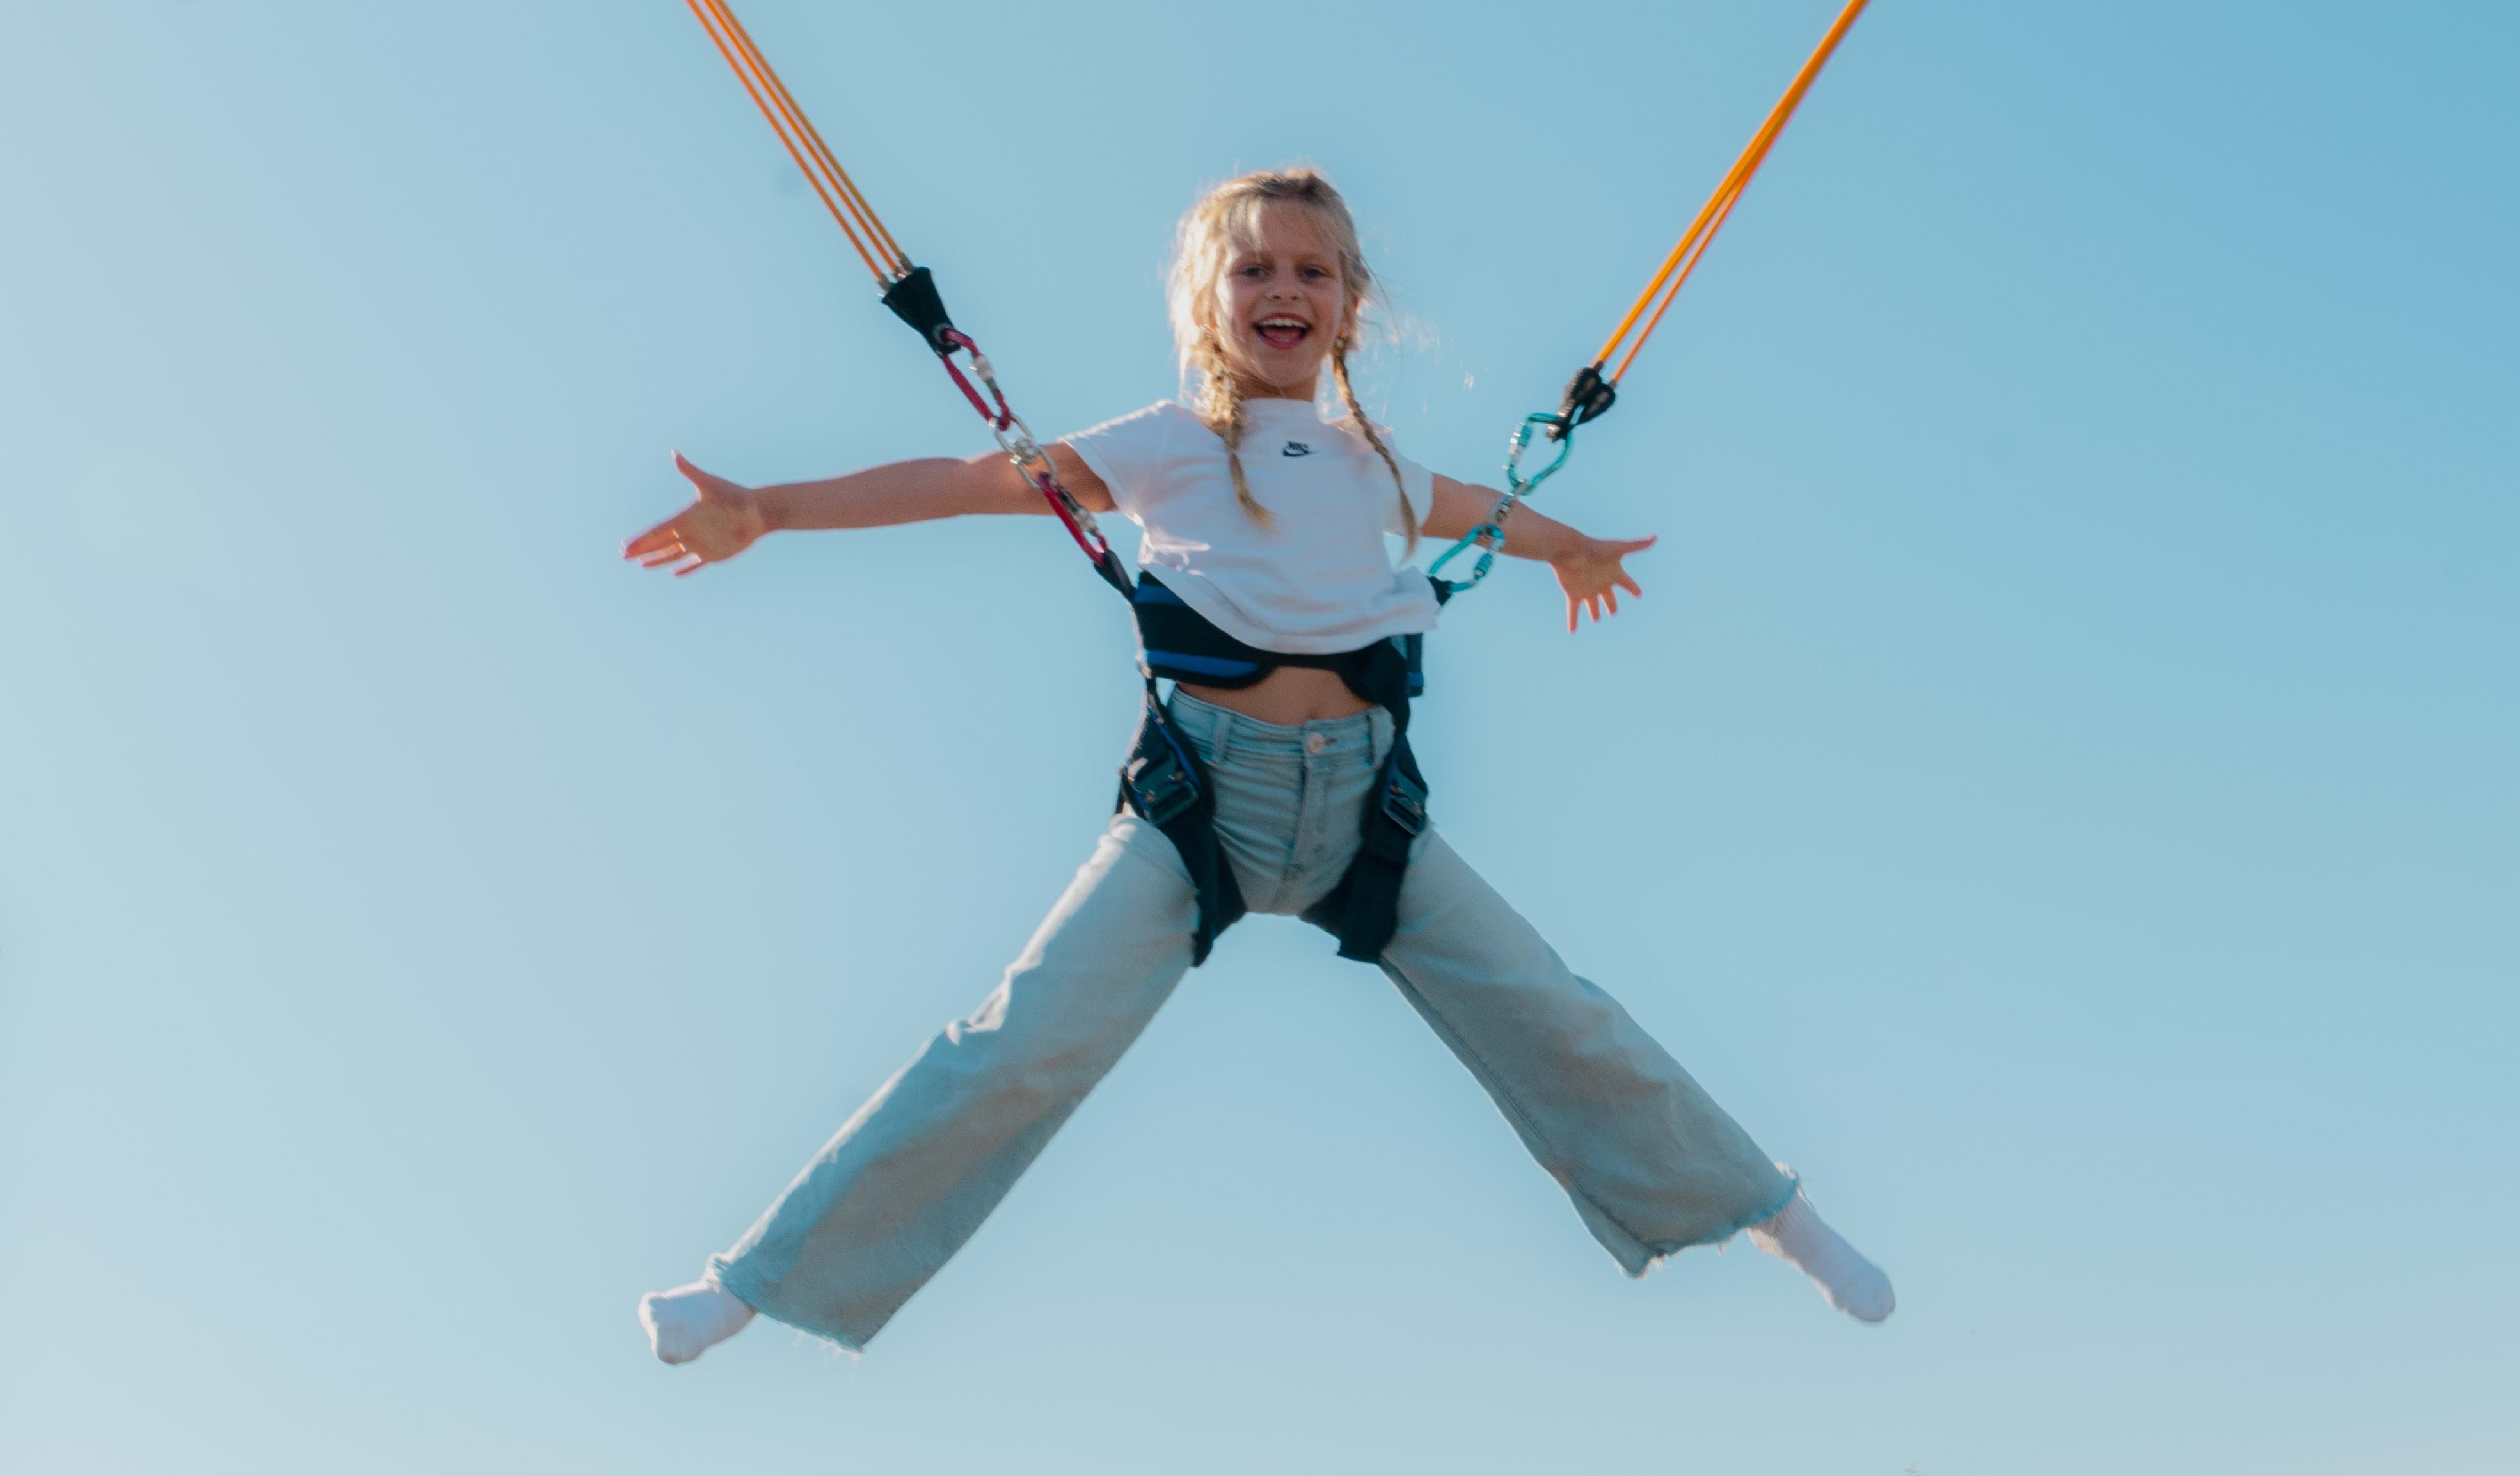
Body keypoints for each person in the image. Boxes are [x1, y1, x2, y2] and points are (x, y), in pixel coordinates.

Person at [621, 168, 1893, 1364]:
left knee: (1560, 1016)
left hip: (1364, 810)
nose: (1282, 292)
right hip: (1197, 812)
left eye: (1311, 272)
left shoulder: (1375, 464)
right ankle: (754, 1282)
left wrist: (1570, 551)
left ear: (1350, 305)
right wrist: (773, 507)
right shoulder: (1163, 443)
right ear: (1206, 300)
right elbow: (965, 481)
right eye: (1253, 271)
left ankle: (1772, 1210)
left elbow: (1486, 515)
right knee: (1013, 1047)